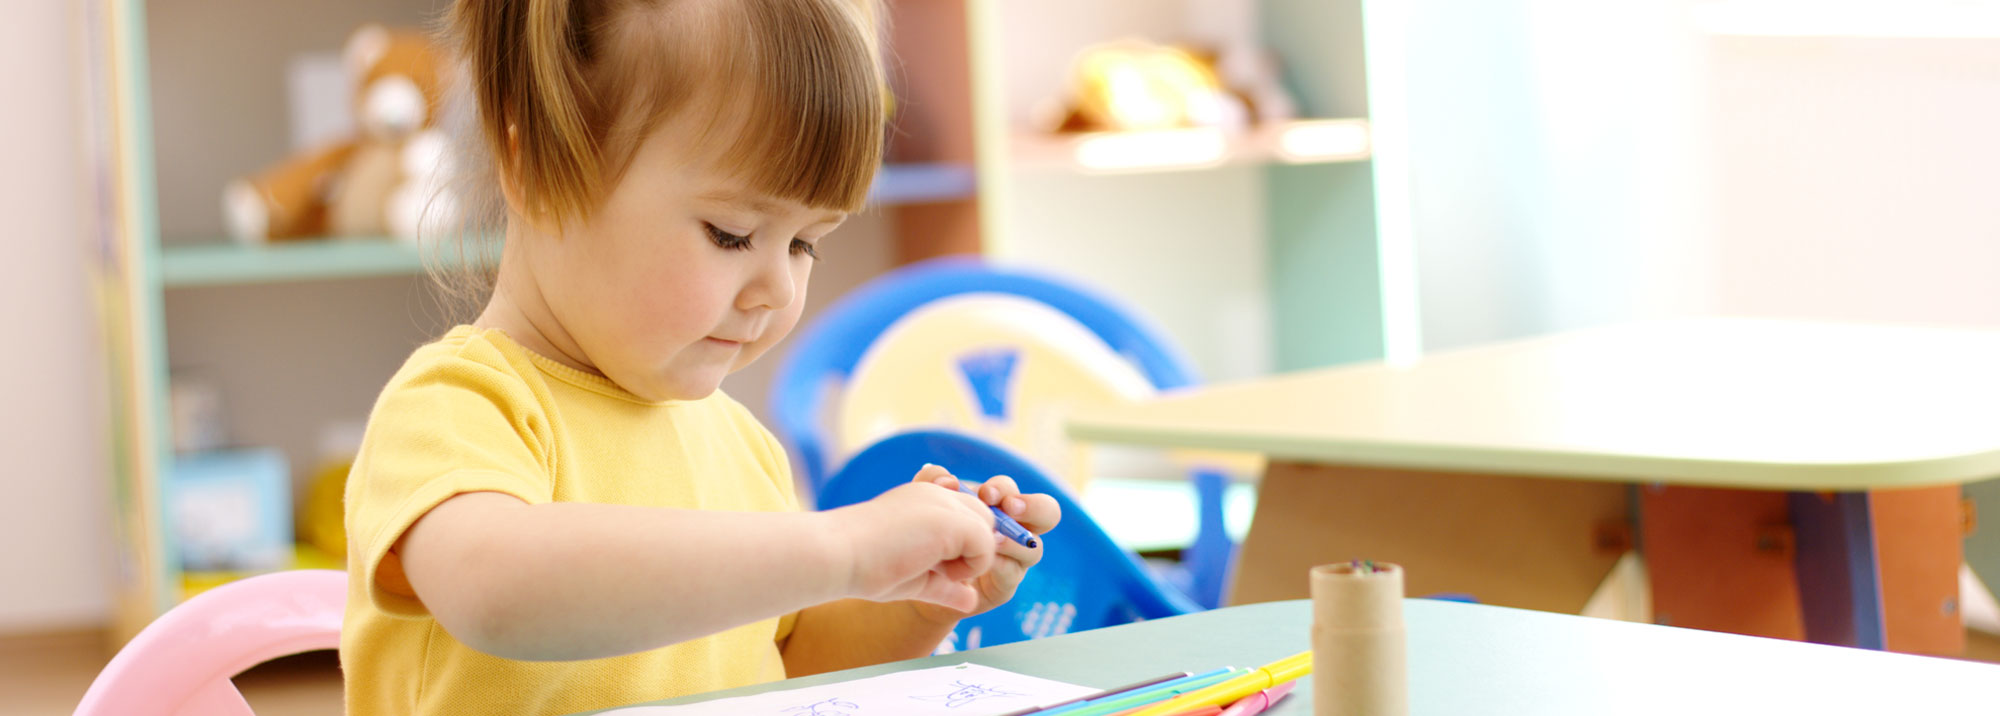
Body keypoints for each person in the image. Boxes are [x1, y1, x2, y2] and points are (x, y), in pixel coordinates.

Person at [338, 1, 1059, 713]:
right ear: (536, 170)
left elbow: (786, 667)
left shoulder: (739, 447)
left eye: (806, 243)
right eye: (732, 233)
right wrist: (843, 548)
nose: (778, 287)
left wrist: (919, 597)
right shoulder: (457, 407)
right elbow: (495, 591)